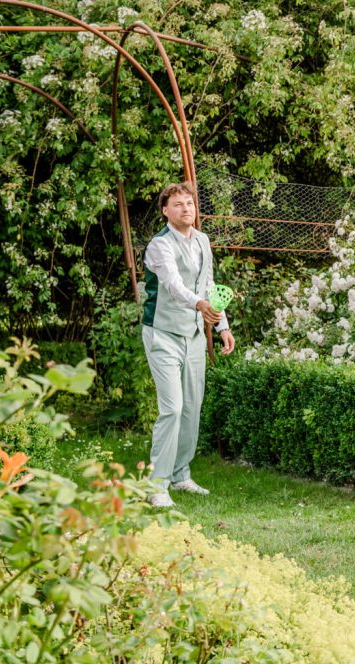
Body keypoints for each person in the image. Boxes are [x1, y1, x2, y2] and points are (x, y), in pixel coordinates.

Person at [141, 181, 235, 508]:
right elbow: (172, 284)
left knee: (192, 408)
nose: (186, 209)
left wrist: (221, 325)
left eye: (190, 204)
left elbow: (208, 284)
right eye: (178, 204)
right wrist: (198, 305)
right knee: (172, 408)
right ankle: (157, 485)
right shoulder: (159, 245)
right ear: (166, 210)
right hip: (163, 335)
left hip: (194, 335)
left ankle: (181, 475)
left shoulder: (203, 241)